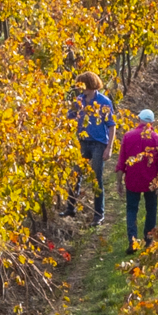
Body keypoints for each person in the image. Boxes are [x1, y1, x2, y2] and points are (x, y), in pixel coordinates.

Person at [68, 71, 116, 220]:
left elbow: (111, 125)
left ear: (91, 85)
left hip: (98, 144)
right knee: (75, 176)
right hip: (82, 143)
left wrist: (109, 147)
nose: (81, 89)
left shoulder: (104, 102)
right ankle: (70, 208)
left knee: (97, 178)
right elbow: (69, 117)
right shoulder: (79, 100)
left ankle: (98, 214)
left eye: (84, 86)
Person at [117, 109, 158, 250]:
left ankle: (133, 240)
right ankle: (149, 239)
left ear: (139, 119)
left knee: (132, 209)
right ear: (152, 122)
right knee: (151, 208)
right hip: (151, 181)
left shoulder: (127, 136)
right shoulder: (157, 138)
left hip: (132, 180)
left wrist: (119, 182)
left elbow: (121, 162)